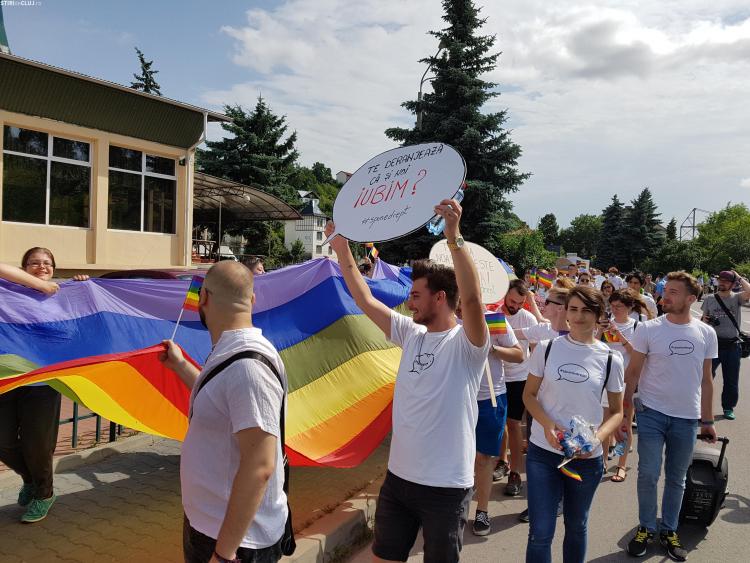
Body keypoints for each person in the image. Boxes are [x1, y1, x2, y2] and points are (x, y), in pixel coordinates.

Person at [326, 197, 489, 563]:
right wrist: (341, 248)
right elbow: (364, 299)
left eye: (416, 295)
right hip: (399, 481)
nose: (409, 303)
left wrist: (454, 236)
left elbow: (473, 301)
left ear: (441, 297)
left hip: (446, 488)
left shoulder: (468, 345)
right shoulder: (410, 333)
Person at [160, 261, 288, 563]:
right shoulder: (233, 352)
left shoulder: (249, 366)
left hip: (235, 541)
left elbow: (260, 465)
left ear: (203, 297)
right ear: (252, 300)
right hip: (213, 525)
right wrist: (180, 366)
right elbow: (221, 403)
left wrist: (224, 553)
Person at [619, 272, 718, 561]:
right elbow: (633, 373)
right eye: (666, 291)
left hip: (687, 417)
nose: (666, 296)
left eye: (674, 292)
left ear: (691, 299)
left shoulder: (706, 333)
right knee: (648, 473)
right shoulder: (648, 329)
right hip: (651, 412)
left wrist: (707, 421)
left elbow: (707, 381)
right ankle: (646, 528)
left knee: (677, 478)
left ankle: (669, 530)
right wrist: (625, 415)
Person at [523, 286, 625, 563]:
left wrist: (596, 439)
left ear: (599, 314)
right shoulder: (546, 349)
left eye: (586, 311)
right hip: (543, 453)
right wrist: (547, 425)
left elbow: (617, 412)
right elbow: (528, 395)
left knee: (577, 526)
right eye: (573, 309)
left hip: (585, 460)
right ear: (565, 312)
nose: (578, 317)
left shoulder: (610, 359)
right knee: (540, 532)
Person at [0, 248, 81, 524]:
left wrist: (81, 285)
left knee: (37, 444)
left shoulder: (64, 294)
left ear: (54, 268)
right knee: (3, 441)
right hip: (9, 378)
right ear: (23, 268)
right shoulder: (7, 291)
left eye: (47, 263)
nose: (41, 267)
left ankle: (44, 493)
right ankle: (30, 479)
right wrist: (41, 286)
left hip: (43, 381)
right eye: (34, 263)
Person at [455, 301, 522, 536]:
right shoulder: (446, 318)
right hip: (456, 397)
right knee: (457, 456)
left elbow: (519, 355)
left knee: (484, 458)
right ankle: (454, 506)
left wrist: (492, 348)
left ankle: (482, 511)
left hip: (490, 398)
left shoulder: (494, 319)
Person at [496, 281, 538, 497]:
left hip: (519, 377)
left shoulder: (527, 318)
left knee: (513, 424)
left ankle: (515, 473)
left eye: (521, 303)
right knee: (500, 423)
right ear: (504, 295)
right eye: (512, 301)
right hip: (496, 378)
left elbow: (536, 350)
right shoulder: (493, 315)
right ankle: (502, 461)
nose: (516, 306)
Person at [598, 289, 643, 483]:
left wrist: (620, 335)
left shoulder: (637, 327)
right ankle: (602, 462)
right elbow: (593, 346)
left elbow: (637, 354)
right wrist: (599, 330)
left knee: (624, 426)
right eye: (612, 306)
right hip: (605, 380)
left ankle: (622, 464)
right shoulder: (605, 323)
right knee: (605, 424)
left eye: (619, 307)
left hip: (626, 382)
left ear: (630, 307)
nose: (614, 310)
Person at [701, 270, 750, 420]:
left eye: (726, 281)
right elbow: (702, 320)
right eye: (720, 280)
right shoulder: (709, 298)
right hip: (712, 345)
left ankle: (728, 407)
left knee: (731, 380)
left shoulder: (737, 298)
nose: (722, 283)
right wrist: (705, 321)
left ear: (733, 284)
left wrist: (739, 277)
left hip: (732, 346)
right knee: (705, 378)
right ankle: (701, 408)